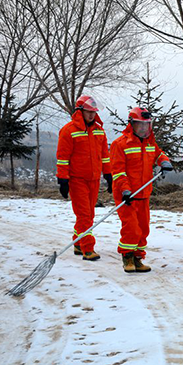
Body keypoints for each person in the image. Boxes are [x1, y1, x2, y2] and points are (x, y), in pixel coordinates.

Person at [110, 107, 173, 273]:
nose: (144, 128)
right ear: (132, 124)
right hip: (127, 195)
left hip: (144, 194)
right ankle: (127, 257)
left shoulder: (150, 143)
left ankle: (138, 258)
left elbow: (158, 155)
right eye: (140, 125)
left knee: (144, 228)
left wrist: (164, 161)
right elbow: (118, 172)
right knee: (131, 228)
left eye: (147, 125)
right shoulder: (120, 144)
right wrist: (125, 190)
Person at [56, 95, 112, 261]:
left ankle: (78, 242)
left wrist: (108, 175)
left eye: (94, 112)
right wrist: (63, 179)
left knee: (89, 214)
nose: (92, 115)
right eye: (89, 112)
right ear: (80, 111)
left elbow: (105, 156)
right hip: (76, 180)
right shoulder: (69, 131)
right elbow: (62, 157)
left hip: (94, 179)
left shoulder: (99, 130)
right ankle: (88, 248)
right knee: (84, 215)